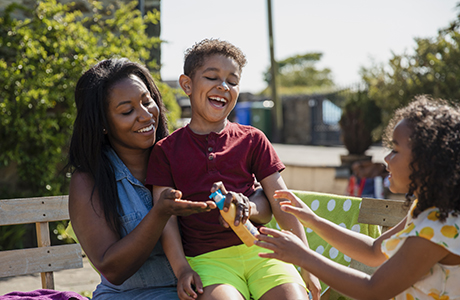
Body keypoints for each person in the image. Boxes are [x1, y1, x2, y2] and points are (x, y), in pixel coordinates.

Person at [146, 38, 321, 300]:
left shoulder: (253, 139)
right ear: (187, 85)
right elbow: (166, 218)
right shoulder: (165, 150)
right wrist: (182, 269)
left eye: (233, 81)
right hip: (208, 262)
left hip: (264, 252)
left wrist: (308, 264)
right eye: (212, 76)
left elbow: (281, 202)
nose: (223, 86)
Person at [255, 95, 460, 299]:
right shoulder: (425, 210)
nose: (386, 158)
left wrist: (303, 256)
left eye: (395, 150)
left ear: (427, 163)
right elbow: (373, 251)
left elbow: (373, 290)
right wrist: (313, 220)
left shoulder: (436, 228)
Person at [66, 58, 214, 299]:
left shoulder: (186, 153)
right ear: (102, 123)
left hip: (201, 288)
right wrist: (159, 214)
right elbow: (112, 269)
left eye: (147, 102)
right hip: (133, 295)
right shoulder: (88, 182)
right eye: (127, 111)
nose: (146, 116)